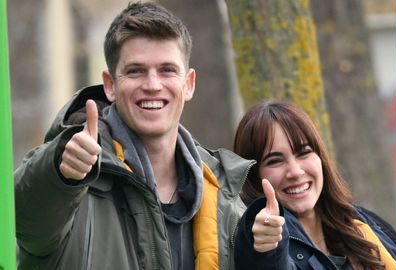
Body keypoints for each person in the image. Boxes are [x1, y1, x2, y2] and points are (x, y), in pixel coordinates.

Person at [14, 2, 254, 269]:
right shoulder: (69, 177)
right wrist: (60, 175)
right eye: (135, 71)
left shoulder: (226, 196)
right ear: (110, 85)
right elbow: (22, 222)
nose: (152, 85)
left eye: (167, 70)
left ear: (189, 84)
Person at [233, 101, 396, 270]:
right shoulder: (263, 242)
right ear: (254, 176)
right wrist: (267, 251)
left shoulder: (359, 223)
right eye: (275, 161)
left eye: (304, 152)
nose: (296, 172)